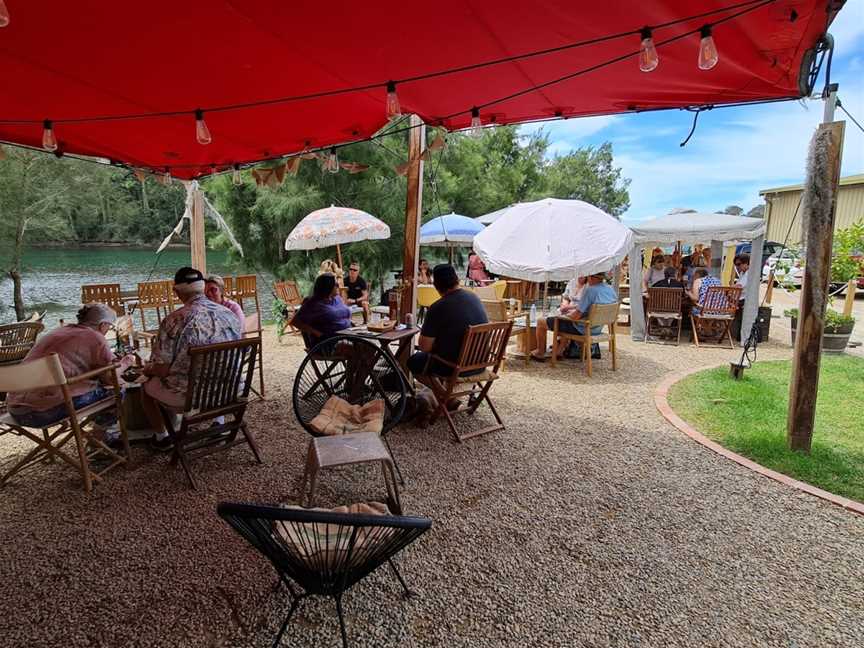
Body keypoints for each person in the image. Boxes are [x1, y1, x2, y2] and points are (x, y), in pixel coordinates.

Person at [141, 267, 242, 449]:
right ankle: (216, 423)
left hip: (192, 397)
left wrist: (147, 369)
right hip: (230, 390)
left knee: (146, 387)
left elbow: (162, 369)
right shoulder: (230, 314)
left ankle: (162, 437)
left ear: (176, 291)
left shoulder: (174, 320)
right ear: (203, 287)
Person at [7, 303, 126, 429]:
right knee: (118, 390)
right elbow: (111, 378)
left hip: (15, 408)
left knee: (86, 384)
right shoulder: (95, 337)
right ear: (103, 325)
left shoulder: (60, 331)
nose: (109, 330)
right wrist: (125, 363)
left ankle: (92, 431)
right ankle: (99, 434)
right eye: (110, 326)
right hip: (41, 413)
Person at [408, 264, 488, 378]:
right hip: (480, 363)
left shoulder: (437, 307)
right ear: (457, 280)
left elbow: (424, 347)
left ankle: (440, 394)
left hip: (455, 367)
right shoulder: (474, 297)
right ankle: (443, 392)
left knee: (414, 361)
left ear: (436, 286)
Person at [531, 273, 617, 362]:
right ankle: (559, 351)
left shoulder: (590, 291)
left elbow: (575, 317)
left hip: (582, 329)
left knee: (541, 321)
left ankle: (540, 352)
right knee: (562, 322)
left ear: (591, 277)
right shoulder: (610, 289)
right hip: (597, 328)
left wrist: (564, 316)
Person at [292, 273, 352, 342]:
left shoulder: (337, 298)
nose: (339, 286)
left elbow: (344, 314)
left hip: (349, 335)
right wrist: (317, 334)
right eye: (336, 285)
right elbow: (295, 321)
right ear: (327, 287)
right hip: (330, 341)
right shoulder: (313, 302)